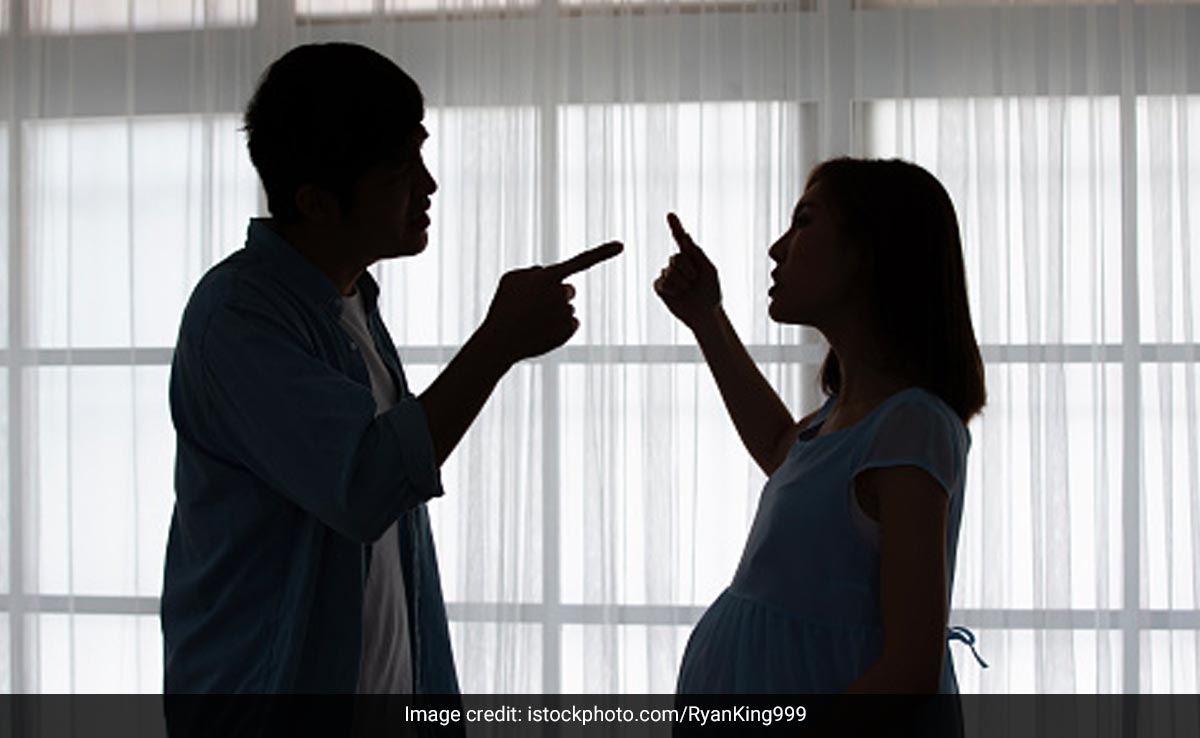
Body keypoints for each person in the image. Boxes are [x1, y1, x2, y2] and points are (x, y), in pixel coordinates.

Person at [160, 41, 621, 711]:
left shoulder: (350, 301)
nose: (428, 185)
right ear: (317, 202)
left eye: (421, 154)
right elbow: (366, 485)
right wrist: (498, 342)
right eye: (401, 167)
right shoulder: (238, 316)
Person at [656, 158, 986, 720]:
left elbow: (911, 667)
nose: (776, 249)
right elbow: (779, 448)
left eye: (804, 222)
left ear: (872, 250)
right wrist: (707, 318)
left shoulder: (912, 426)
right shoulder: (845, 418)